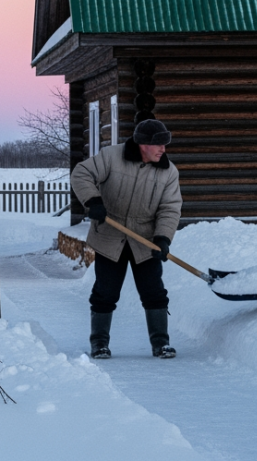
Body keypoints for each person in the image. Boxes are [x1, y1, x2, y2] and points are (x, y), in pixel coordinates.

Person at [71, 118, 181, 359]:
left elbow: (170, 208)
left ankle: (161, 343)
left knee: (154, 292)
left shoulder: (168, 171)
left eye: (165, 144)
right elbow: (81, 173)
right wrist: (93, 200)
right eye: (159, 144)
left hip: (145, 240)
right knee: (105, 293)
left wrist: (163, 238)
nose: (164, 149)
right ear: (143, 144)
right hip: (109, 236)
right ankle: (99, 343)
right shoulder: (111, 156)